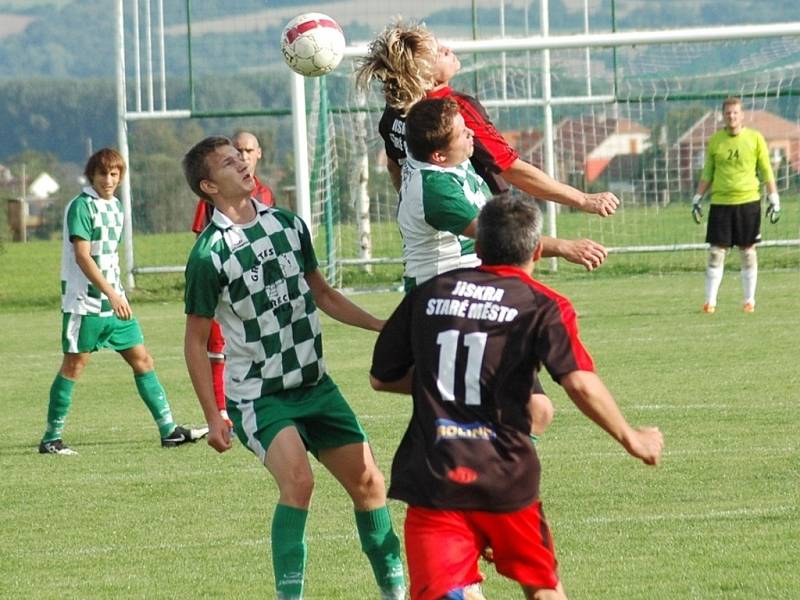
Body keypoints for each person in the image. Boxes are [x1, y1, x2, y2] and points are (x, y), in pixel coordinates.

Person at [370, 194, 664, 600]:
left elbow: (381, 379)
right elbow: (578, 382)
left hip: (434, 477)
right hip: (505, 479)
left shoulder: (428, 294)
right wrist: (633, 438)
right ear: (537, 251)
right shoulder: (542, 305)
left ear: (479, 246)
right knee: (542, 586)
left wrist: (435, 383)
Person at [181, 136, 406, 600]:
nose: (242, 163)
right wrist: (213, 414)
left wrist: (379, 325)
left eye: (241, 156)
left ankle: (396, 592)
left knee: (370, 485)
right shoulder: (209, 255)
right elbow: (196, 341)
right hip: (259, 396)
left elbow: (322, 294)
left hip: (315, 385)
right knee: (299, 483)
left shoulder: (287, 225)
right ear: (208, 186)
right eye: (228, 162)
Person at [355, 20, 615, 272]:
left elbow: (394, 168)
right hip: (476, 241)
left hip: (434, 242)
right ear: (425, 76)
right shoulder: (454, 112)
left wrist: (419, 215)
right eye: (437, 54)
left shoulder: (396, 111)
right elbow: (511, 169)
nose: (446, 49)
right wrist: (582, 199)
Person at [402, 97, 555, 440]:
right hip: (445, 311)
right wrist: (568, 247)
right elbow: (502, 235)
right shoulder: (436, 189)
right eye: (460, 132)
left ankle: (485, 472)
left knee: (534, 410)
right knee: (504, 412)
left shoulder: (455, 165)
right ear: (438, 155)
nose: (470, 132)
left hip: (478, 302)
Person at [38, 148, 208, 455]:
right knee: (74, 366)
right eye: (103, 174)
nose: (108, 180)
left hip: (115, 305)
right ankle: (51, 438)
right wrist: (111, 293)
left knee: (143, 360)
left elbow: (110, 257)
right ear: (92, 175)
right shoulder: (82, 206)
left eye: (114, 174)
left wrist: (118, 294)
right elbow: (82, 256)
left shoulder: (116, 206)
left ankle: (169, 431)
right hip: (86, 304)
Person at [189, 131, 275, 428]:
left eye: (246, 152)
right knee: (218, 346)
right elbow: (205, 238)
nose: (243, 158)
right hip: (230, 287)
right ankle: (223, 411)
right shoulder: (209, 243)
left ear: (258, 153)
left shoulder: (270, 204)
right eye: (237, 152)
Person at [691, 96, 780, 313]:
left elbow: (766, 169)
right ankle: (710, 302)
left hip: (748, 201)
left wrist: (773, 197)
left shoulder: (755, 138)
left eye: (735, 112)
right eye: (728, 113)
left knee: (748, 251)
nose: (732, 116)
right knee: (715, 252)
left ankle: (749, 300)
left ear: (742, 115)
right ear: (723, 116)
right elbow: (708, 171)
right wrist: (697, 197)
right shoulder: (715, 141)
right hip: (721, 203)